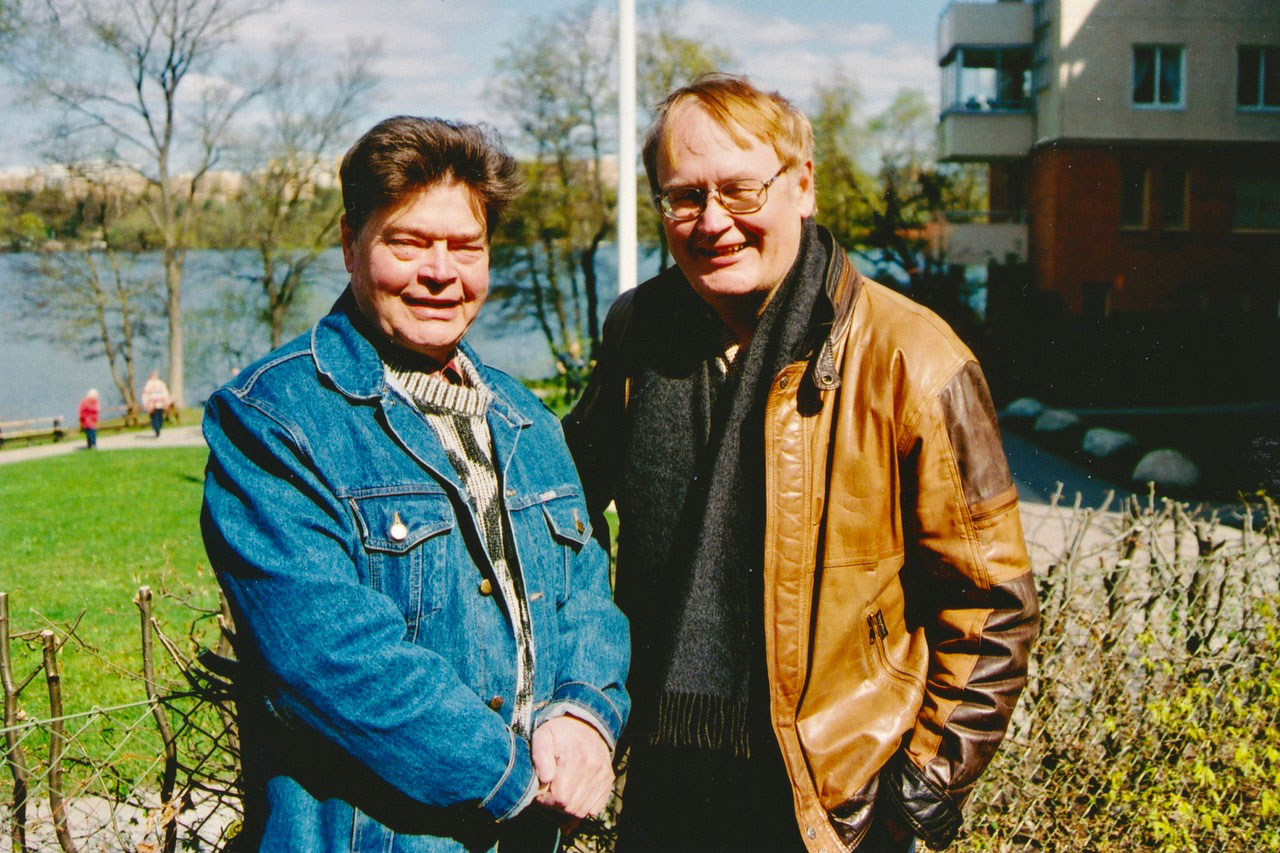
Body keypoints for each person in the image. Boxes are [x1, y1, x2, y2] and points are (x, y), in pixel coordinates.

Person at [564, 74, 1039, 852]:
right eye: (684, 197)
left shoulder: (911, 358)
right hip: (665, 784)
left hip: (830, 808)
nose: (713, 221)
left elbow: (992, 606)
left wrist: (919, 791)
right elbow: (565, 518)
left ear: (803, 187)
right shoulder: (640, 331)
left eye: (741, 190)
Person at [201, 116, 629, 852]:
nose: (440, 272)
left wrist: (588, 716)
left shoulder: (528, 421)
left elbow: (587, 595)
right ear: (349, 243)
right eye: (408, 243)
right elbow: (329, 657)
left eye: (466, 247)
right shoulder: (273, 420)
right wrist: (515, 775)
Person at [141, 371, 170, 437]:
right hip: (153, 404)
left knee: (157, 416)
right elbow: (145, 394)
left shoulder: (159, 384)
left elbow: (165, 393)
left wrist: (166, 402)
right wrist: (145, 403)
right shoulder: (150, 384)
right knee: (156, 416)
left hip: (158, 403)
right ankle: (157, 428)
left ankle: (157, 428)